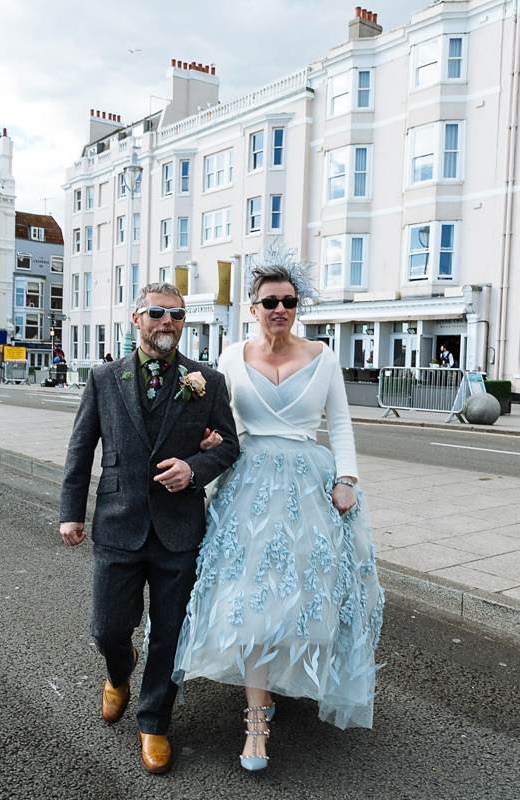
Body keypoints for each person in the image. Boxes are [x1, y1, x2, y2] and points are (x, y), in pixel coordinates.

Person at [172, 251, 385, 771]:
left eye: (290, 301)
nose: (281, 309)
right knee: (251, 603)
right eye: (271, 301)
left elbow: (340, 426)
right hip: (248, 486)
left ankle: (276, 684)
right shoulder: (228, 355)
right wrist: (205, 445)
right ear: (253, 307)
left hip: (310, 488)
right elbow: (218, 423)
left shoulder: (323, 356)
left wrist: (347, 479)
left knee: (301, 600)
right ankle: (255, 723)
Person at [59, 283, 240, 774]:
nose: (168, 322)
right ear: (136, 319)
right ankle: (120, 671)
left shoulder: (207, 380)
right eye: (157, 313)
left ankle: (154, 722)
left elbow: (228, 448)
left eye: (177, 315)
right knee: (108, 628)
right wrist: (70, 511)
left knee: (170, 633)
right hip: (118, 522)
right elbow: (80, 451)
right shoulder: (102, 379)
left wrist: (195, 469)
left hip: (179, 528)